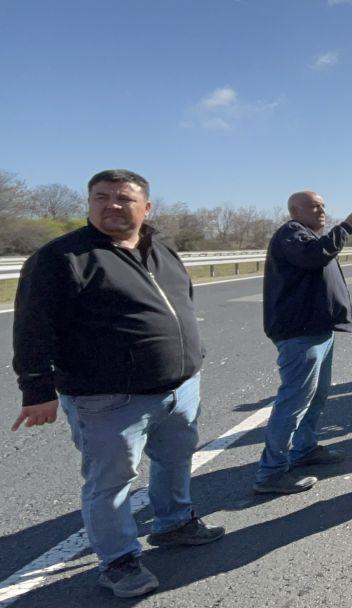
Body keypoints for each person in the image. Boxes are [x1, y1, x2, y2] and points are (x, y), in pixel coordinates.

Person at [11, 169, 224, 599]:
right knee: (109, 483)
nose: (111, 205)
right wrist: (37, 390)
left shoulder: (161, 249)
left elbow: (181, 303)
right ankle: (118, 560)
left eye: (124, 198)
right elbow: (33, 327)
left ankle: (174, 523)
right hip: (106, 398)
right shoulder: (62, 257)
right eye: (101, 197)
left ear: (146, 207)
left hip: (178, 388)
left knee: (174, 461)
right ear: (89, 204)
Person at [256, 191, 352, 494]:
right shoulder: (291, 234)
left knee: (317, 396)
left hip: (320, 329)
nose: (321, 210)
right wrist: (347, 226)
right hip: (300, 332)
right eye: (314, 206)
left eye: (323, 206)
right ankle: (271, 472)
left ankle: (304, 448)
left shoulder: (309, 236)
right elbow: (313, 257)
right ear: (295, 210)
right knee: (294, 400)